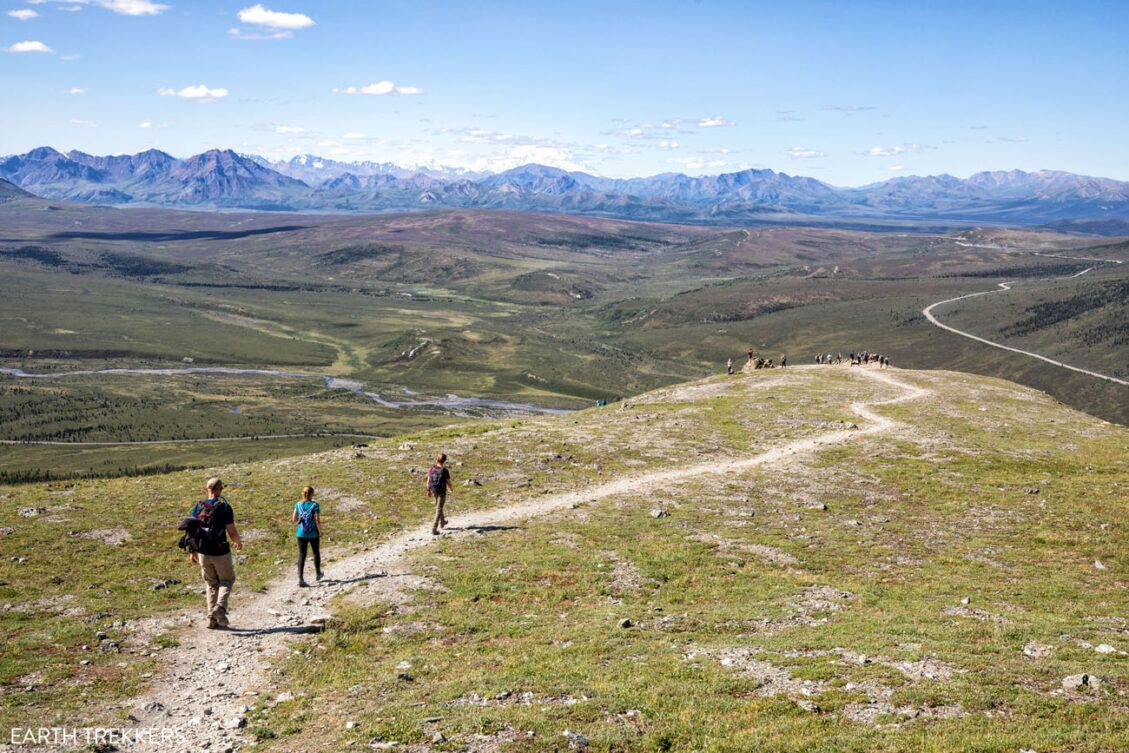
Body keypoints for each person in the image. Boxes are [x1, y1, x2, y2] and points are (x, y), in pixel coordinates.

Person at [188, 478, 242, 629]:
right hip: (220, 551)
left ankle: (211, 619)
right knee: (227, 580)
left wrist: (192, 551)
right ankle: (220, 607)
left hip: (203, 552)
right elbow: (231, 530)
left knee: (211, 584)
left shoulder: (198, 507)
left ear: (206, 489)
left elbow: (192, 531)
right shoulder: (224, 507)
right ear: (220, 489)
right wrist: (237, 542)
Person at [292, 485, 323, 587]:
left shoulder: (298, 504)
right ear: (312, 494)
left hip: (301, 534)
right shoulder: (315, 505)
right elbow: (317, 520)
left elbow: (294, 519)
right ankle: (318, 573)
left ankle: (300, 578)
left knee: (302, 555)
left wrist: (299, 522)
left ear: (303, 493)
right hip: (313, 534)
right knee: (316, 552)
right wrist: (320, 531)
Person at [427, 453, 454, 535]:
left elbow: (428, 480)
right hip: (441, 491)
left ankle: (442, 522)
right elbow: (448, 482)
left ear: (437, 459)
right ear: (444, 460)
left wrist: (428, 490)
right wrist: (451, 488)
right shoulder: (444, 470)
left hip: (434, 490)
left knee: (439, 506)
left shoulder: (431, 469)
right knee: (439, 509)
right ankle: (434, 528)